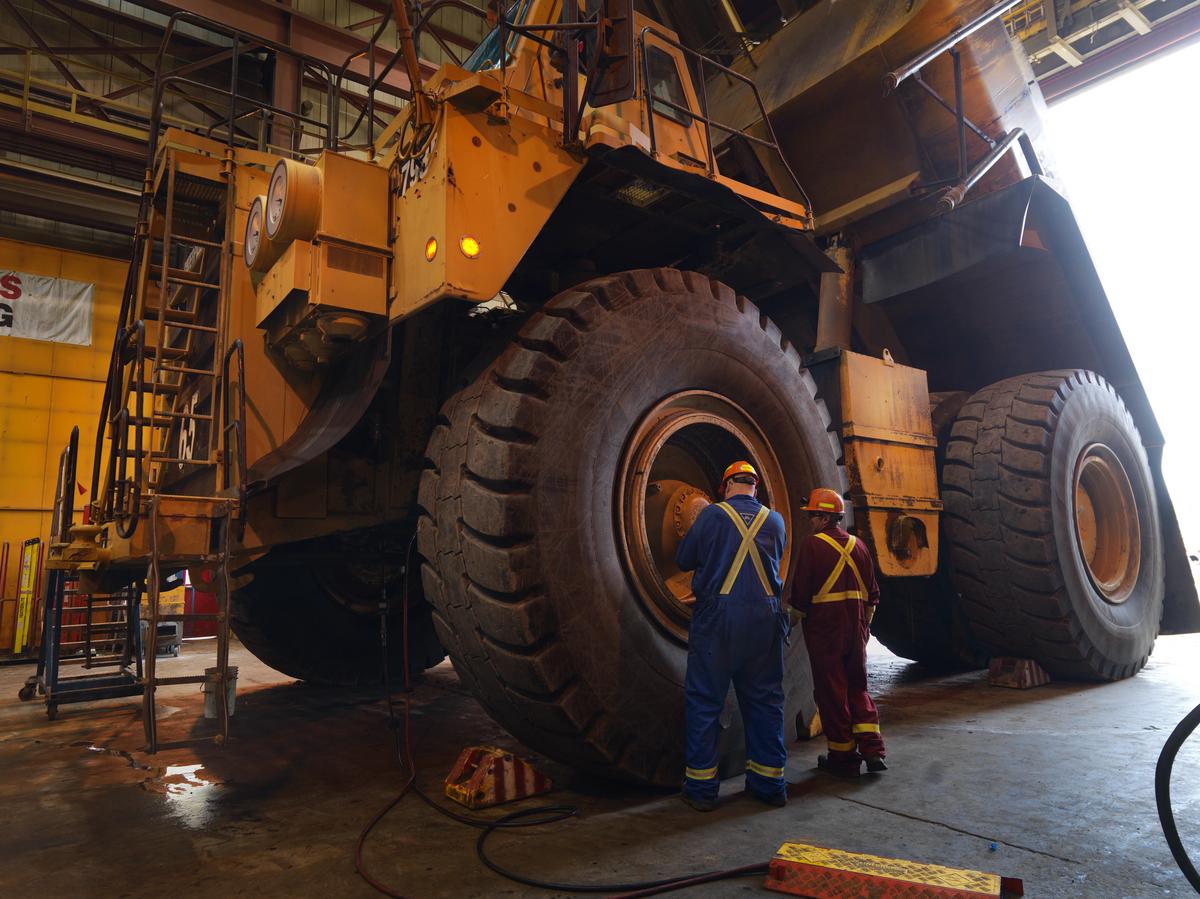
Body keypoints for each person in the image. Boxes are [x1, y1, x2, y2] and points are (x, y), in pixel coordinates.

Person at [675, 461, 789, 811]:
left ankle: (701, 790)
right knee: (766, 701)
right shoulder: (775, 521)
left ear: (725, 487)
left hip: (719, 621)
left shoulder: (711, 515)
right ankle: (769, 786)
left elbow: (683, 560)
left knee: (705, 703)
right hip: (765, 620)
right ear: (755, 487)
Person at [788, 488, 887, 778]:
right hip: (856, 629)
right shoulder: (860, 545)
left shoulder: (812, 545)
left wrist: (789, 621)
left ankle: (843, 758)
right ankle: (873, 749)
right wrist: (864, 629)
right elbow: (873, 595)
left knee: (832, 691)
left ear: (825, 518)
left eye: (813, 515)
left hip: (825, 631)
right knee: (857, 685)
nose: (809, 520)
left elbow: (801, 595)